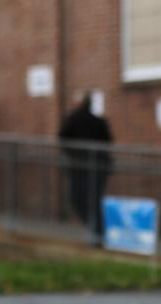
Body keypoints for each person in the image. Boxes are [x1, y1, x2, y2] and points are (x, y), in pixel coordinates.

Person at [59, 92, 113, 245]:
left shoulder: (74, 119)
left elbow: (62, 137)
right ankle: (97, 232)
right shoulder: (98, 121)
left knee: (79, 199)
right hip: (97, 168)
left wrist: (72, 155)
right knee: (94, 201)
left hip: (80, 168)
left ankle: (96, 232)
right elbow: (108, 141)